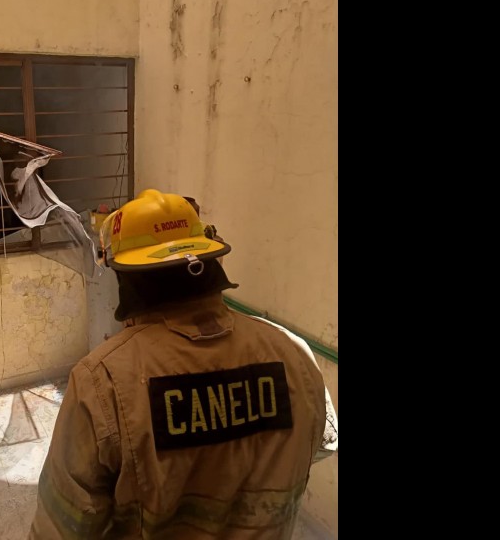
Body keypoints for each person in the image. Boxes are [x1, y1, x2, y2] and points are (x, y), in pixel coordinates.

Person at [29, 189, 338, 539]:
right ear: (210, 262)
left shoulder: (102, 382)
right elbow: (323, 445)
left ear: (125, 277)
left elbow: (61, 527)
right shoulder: (294, 353)